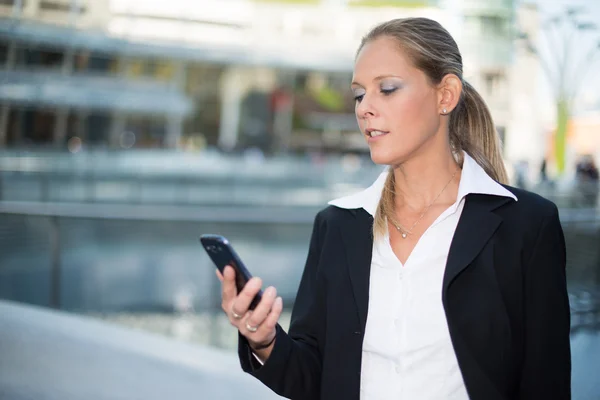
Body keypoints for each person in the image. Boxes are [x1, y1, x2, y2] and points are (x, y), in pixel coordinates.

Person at [216, 17, 571, 400]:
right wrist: (264, 340)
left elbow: (545, 383)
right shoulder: (337, 224)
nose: (365, 108)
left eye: (386, 89)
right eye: (358, 94)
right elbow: (313, 378)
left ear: (445, 95)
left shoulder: (526, 225)